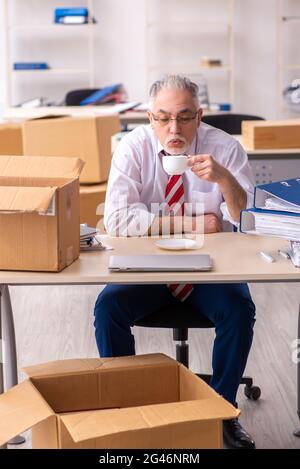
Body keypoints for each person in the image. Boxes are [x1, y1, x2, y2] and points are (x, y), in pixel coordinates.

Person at [94, 75, 256, 449]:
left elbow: (247, 221)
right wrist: (195, 223)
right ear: (149, 117)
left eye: (184, 118)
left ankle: (222, 413)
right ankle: (128, 412)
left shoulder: (224, 149)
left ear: (198, 117)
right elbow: (116, 219)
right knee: (107, 308)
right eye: (163, 118)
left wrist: (225, 180)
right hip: (148, 269)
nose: (174, 129)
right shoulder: (133, 147)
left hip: (211, 270)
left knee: (238, 309)